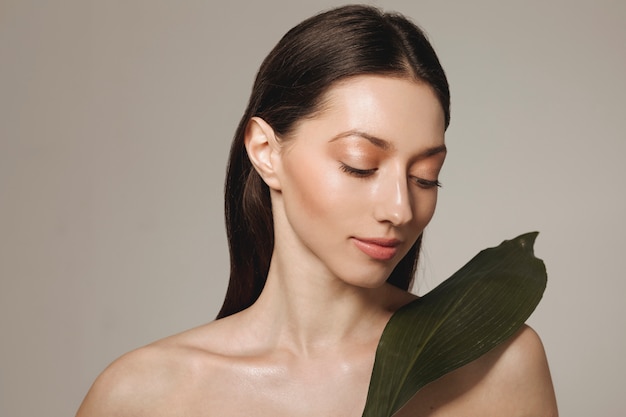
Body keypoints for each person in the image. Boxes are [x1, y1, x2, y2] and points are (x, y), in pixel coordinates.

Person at [76, 5, 558, 416]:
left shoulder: (499, 368)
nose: (399, 208)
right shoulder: (142, 397)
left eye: (425, 176)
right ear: (266, 151)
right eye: (360, 165)